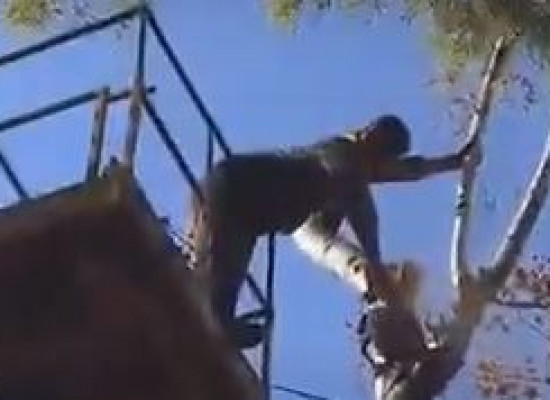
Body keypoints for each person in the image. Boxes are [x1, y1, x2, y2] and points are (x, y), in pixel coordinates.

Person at [184, 115, 476, 347]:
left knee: (220, 286)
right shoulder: (342, 151)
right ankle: (212, 323)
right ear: (368, 135)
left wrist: (452, 162)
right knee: (215, 300)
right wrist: (375, 263)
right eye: (376, 157)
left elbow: (408, 170)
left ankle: (215, 321)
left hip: (248, 213)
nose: (374, 169)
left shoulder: (362, 164)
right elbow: (359, 202)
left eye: (379, 163)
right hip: (236, 191)